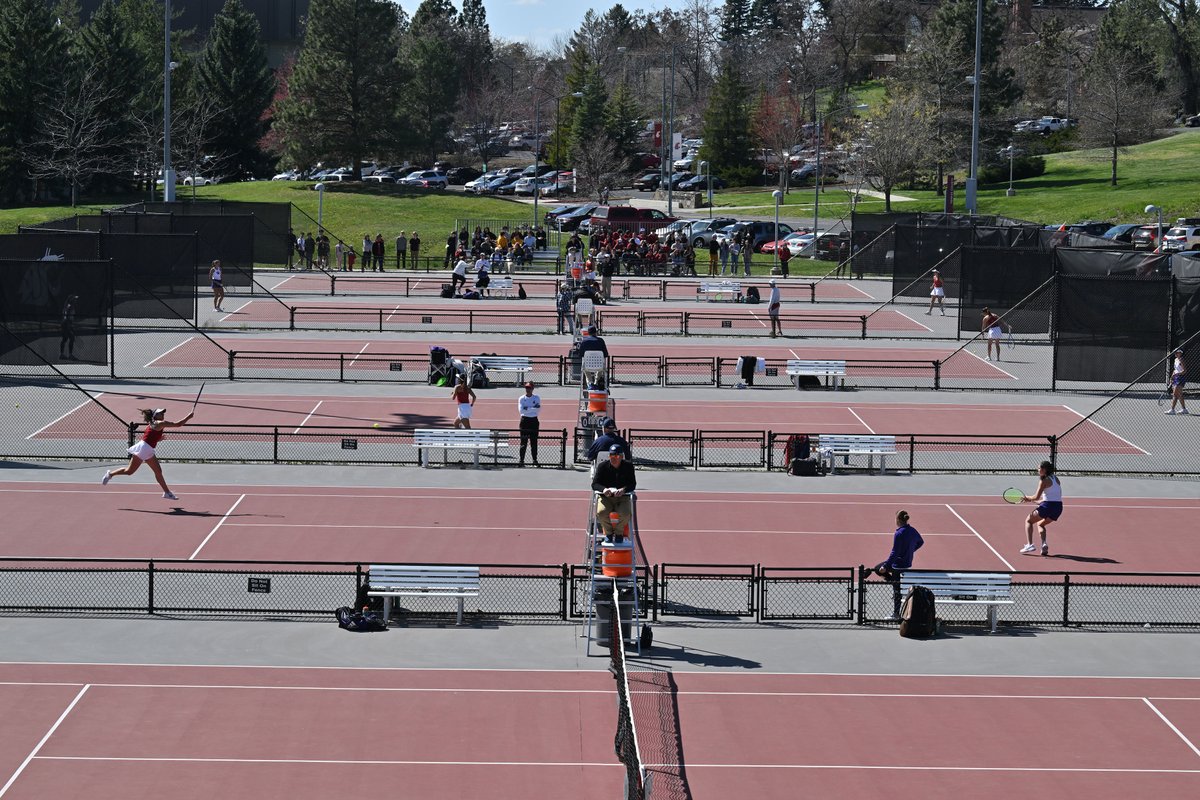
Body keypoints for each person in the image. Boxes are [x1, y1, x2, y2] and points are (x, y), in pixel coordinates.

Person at [101, 407, 193, 499]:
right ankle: (110, 474)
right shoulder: (160, 423)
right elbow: (178, 424)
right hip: (144, 448)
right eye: (160, 413)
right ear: (155, 416)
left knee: (157, 471)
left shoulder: (153, 423)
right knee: (130, 471)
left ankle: (167, 492)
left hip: (147, 449)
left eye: (163, 413)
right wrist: (188, 417)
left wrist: (158, 439)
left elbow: (150, 436)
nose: (163, 414)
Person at [871, 510, 924, 617]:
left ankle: (896, 613)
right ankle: (893, 583)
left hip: (898, 565)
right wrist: (911, 550)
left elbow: (894, 552)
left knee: (894, 587)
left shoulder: (899, 533)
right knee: (880, 571)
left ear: (898, 520)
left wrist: (885, 566)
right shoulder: (912, 530)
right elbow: (921, 542)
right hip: (907, 562)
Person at [592, 444, 636, 543]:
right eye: (611, 455)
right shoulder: (602, 466)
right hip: (606, 497)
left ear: (621, 457)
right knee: (601, 513)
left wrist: (623, 490)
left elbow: (632, 484)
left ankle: (618, 532)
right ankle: (609, 533)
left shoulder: (628, 466)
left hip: (622, 497)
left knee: (626, 514)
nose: (613, 458)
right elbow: (595, 484)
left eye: (616, 456)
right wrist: (604, 490)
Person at [1019, 460, 1062, 556]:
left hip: (1048, 506)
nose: (1037, 469)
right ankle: (1044, 544)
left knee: (1028, 521)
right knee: (1041, 524)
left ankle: (1030, 545)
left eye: (1039, 468)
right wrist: (1036, 502)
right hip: (1058, 508)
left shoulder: (1043, 480)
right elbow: (1052, 497)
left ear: (1044, 469)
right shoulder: (1056, 479)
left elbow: (1036, 497)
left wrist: (1028, 498)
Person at [517, 381, 541, 466]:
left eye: (529, 388)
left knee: (534, 442)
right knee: (523, 442)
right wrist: (532, 408)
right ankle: (521, 461)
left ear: (533, 389)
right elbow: (521, 411)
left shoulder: (537, 398)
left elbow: (538, 410)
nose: (528, 389)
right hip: (524, 421)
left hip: (534, 421)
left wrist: (527, 408)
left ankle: (535, 460)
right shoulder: (521, 398)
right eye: (526, 388)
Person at [1166, 349, 1189, 415]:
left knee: (1175, 394)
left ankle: (1172, 410)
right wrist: (1172, 377)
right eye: (1175, 353)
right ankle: (1184, 409)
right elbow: (1175, 369)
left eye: (1177, 353)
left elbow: (1184, 371)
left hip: (1181, 378)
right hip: (1176, 377)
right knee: (1179, 394)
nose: (1175, 354)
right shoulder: (1176, 360)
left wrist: (1178, 374)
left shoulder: (1182, 360)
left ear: (1180, 353)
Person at [59, 294, 77, 360]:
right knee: (70, 338)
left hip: (67, 324)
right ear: (71, 300)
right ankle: (68, 355)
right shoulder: (69, 306)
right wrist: (69, 325)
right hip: (66, 324)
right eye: (74, 299)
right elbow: (66, 316)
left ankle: (63, 355)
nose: (75, 300)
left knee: (66, 339)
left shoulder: (70, 306)